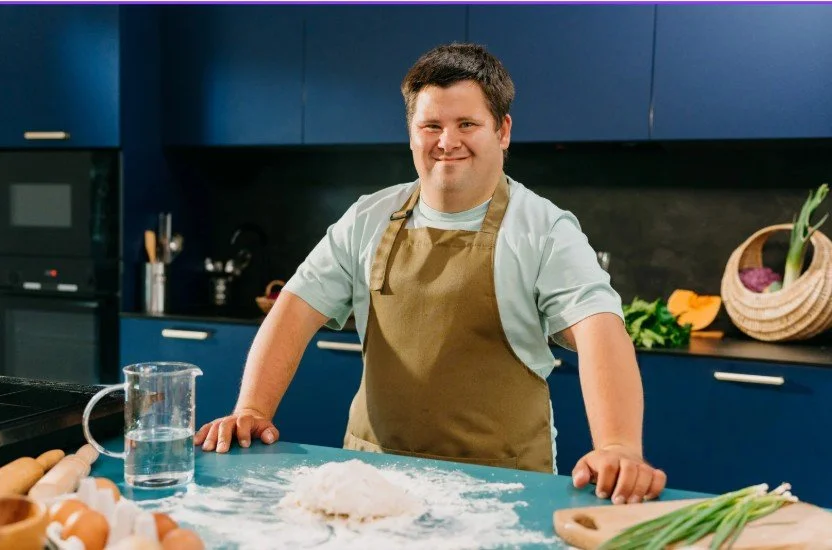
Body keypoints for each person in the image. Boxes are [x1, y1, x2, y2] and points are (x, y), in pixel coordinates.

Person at [194, 43, 667, 505]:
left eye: (467, 124)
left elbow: (600, 329)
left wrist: (618, 445)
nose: (447, 141)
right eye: (431, 126)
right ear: (411, 132)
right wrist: (252, 409)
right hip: (373, 484)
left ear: (503, 131)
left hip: (503, 492)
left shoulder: (544, 229)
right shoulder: (367, 218)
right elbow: (295, 309)